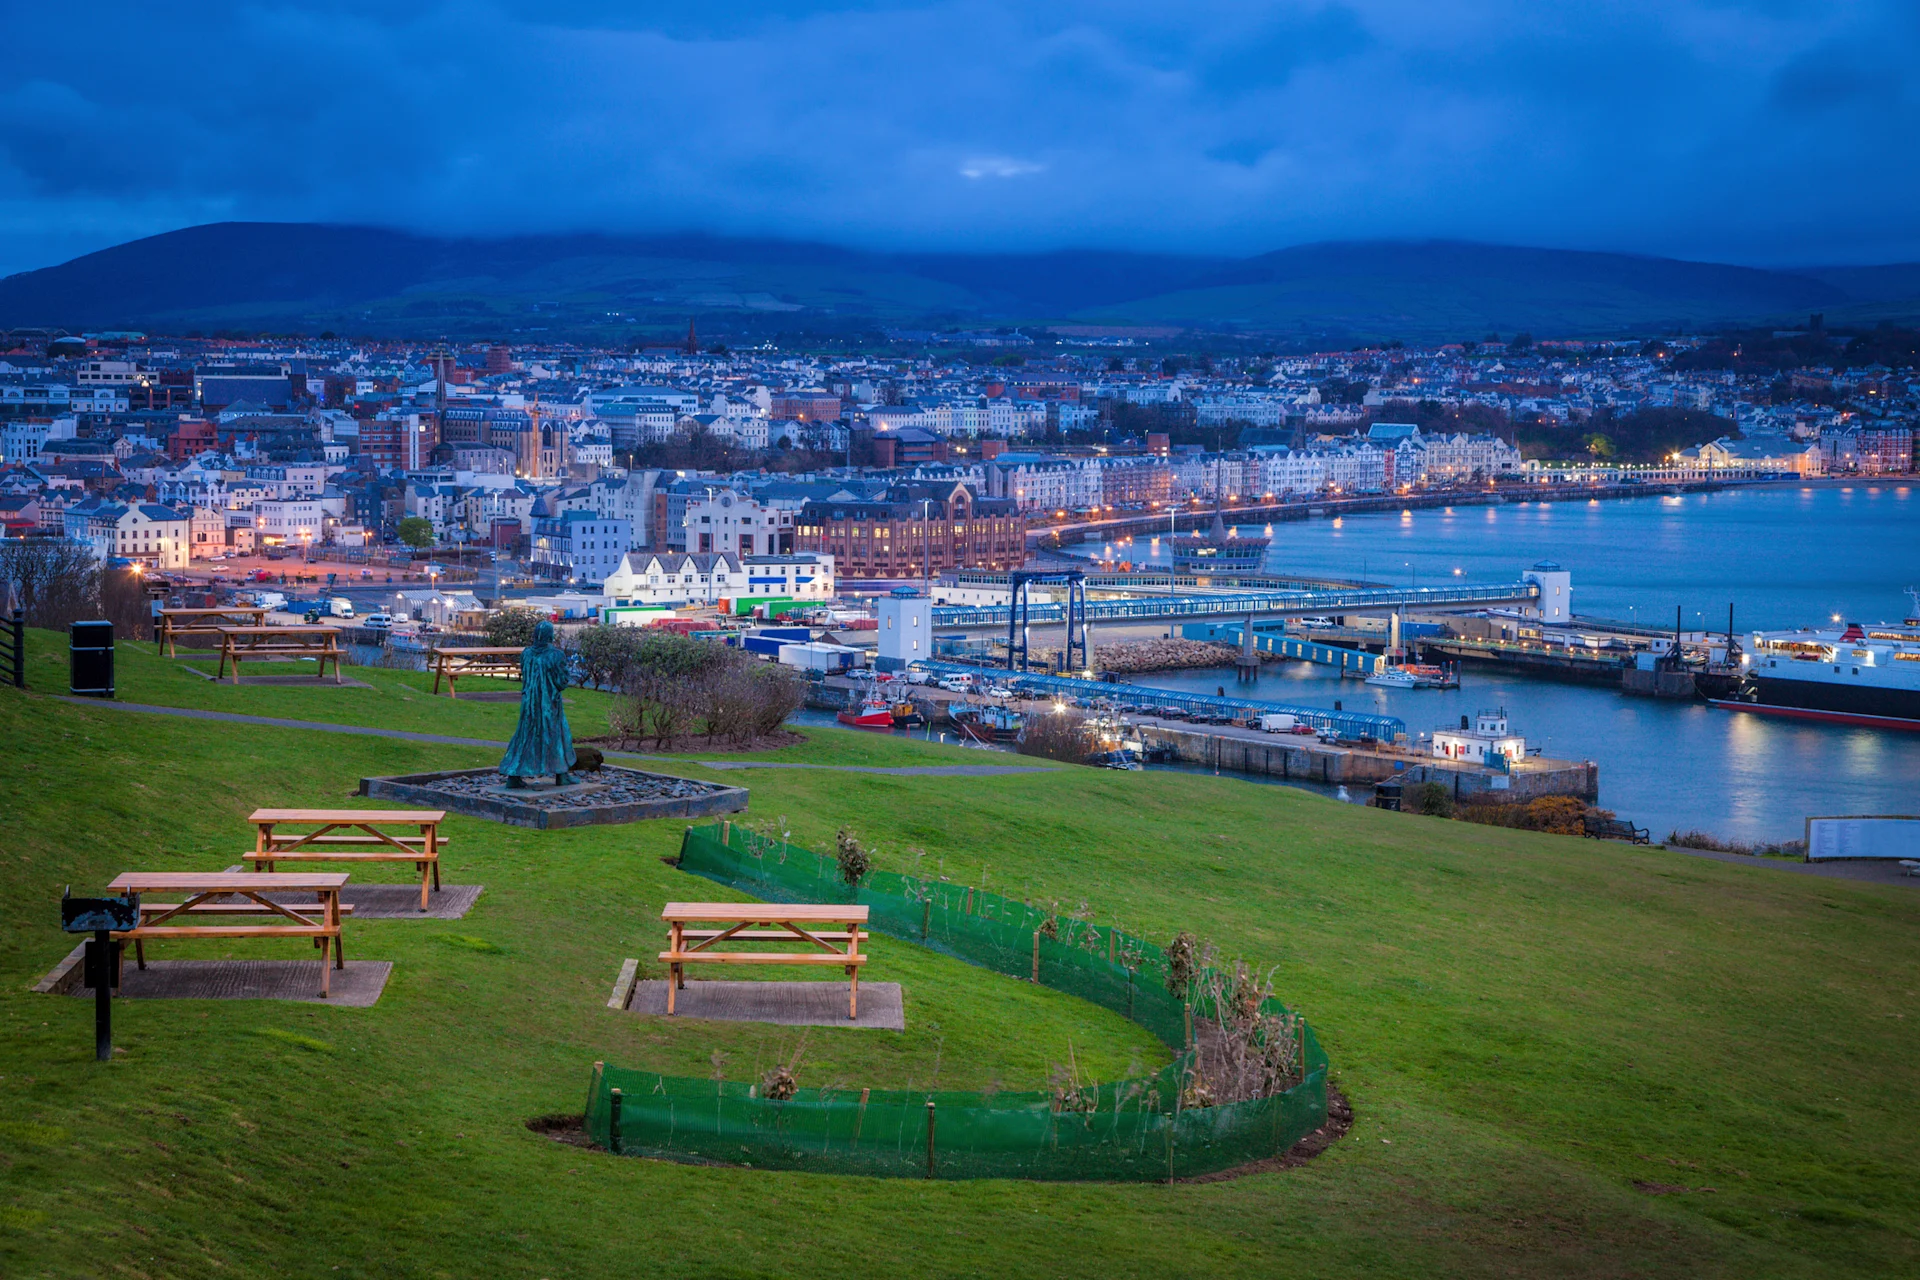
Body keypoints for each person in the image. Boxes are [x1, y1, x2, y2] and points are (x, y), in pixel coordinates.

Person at [499, 620, 577, 787]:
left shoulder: (527, 654)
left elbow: (525, 676)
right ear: (550, 636)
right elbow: (562, 681)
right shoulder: (556, 655)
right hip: (549, 703)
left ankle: (513, 775)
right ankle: (561, 774)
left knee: (525, 736)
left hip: (530, 703)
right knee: (555, 734)